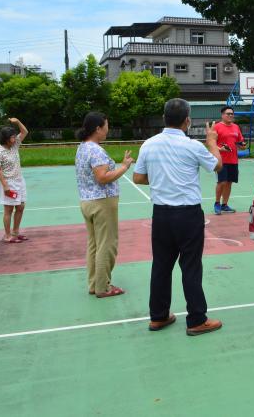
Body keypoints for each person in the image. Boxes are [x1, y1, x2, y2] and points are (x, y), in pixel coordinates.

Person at [133, 99, 224, 336]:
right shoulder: (193, 146)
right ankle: (196, 319)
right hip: (187, 214)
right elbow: (216, 165)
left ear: (164, 118)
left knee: (161, 266)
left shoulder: (149, 144)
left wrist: (164, 180)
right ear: (187, 121)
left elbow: (138, 178)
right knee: (191, 267)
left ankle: (159, 316)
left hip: (161, 214)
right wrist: (212, 141)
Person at [75, 112, 134, 298]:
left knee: (94, 244)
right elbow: (102, 177)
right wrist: (124, 167)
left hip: (87, 201)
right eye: (106, 126)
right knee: (107, 244)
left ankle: (94, 284)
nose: (108, 129)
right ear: (97, 129)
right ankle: (103, 286)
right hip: (102, 202)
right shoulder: (96, 150)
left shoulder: (83, 147)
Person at [0, 117, 29, 243]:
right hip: (8, 182)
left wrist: (18, 122)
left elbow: (25, 132)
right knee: (9, 209)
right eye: (12, 137)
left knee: (21, 206)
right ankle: (7, 235)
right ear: (5, 139)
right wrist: (5, 186)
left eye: (14, 137)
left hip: (19, 180)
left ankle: (16, 232)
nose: (15, 139)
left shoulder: (14, 146)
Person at [213, 106, 248, 215]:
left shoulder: (236, 127)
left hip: (233, 160)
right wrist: (220, 149)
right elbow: (211, 143)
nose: (230, 116)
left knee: (229, 183)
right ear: (222, 115)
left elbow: (240, 142)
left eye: (232, 114)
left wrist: (242, 145)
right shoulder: (216, 127)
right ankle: (217, 203)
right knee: (222, 182)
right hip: (221, 160)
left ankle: (225, 205)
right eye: (228, 114)